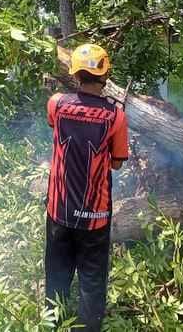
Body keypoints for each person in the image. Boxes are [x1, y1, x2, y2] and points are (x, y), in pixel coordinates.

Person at [44, 43, 129, 331]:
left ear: (76, 74)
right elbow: (117, 163)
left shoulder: (56, 103)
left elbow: (54, 127)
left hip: (59, 209)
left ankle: (53, 324)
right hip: (95, 216)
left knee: (57, 273)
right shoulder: (116, 116)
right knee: (92, 280)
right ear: (105, 75)